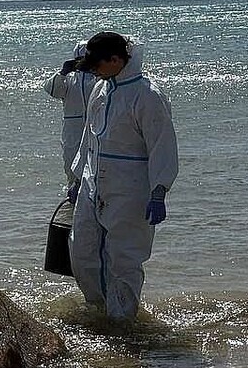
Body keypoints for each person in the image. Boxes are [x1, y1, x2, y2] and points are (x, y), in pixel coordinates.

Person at [67, 32, 178, 326]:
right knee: (82, 251)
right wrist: (77, 179)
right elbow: (89, 137)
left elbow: (162, 146)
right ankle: (98, 310)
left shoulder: (147, 95)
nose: (93, 71)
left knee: (124, 259)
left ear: (116, 59)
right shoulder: (101, 89)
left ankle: (122, 321)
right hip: (94, 182)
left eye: (97, 65)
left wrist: (159, 191)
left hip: (131, 189)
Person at [42, 41, 99, 186]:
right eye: (80, 60)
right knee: (71, 163)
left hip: (96, 126)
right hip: (73, 129)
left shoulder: (100, 78)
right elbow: (52, 90)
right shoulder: (69, 79)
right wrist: (63, 72)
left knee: (97, 164)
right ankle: (73, 190)